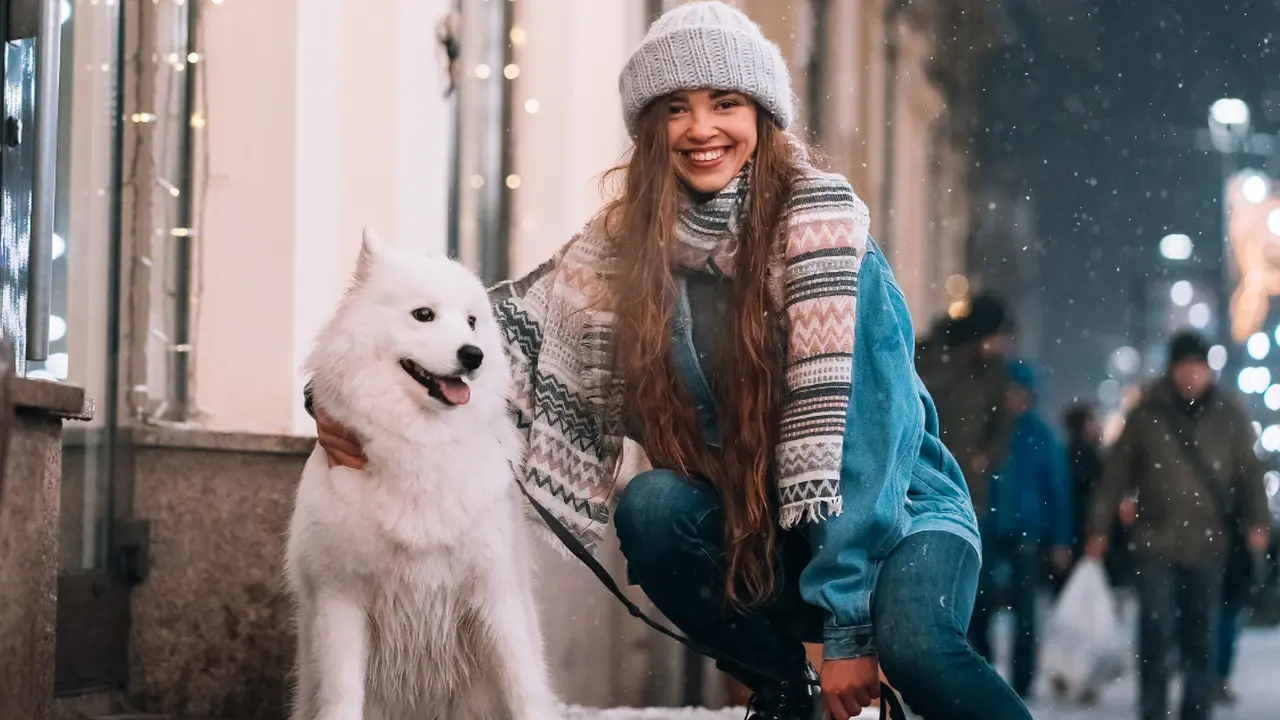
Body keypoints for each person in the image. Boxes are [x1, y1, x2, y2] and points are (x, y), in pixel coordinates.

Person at [309, 3, 1031, 718]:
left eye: (725, 102)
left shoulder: (828, 238)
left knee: (916, 649)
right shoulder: (619, 255)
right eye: (676, 108)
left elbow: (868, 446)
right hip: (759, 525)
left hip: (900, 513)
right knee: (652, 510)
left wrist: (847, 626)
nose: (701, 128)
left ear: (762, 118)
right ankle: (785, 684)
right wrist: (335, 395)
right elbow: (488, 330)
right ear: (652, 129)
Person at [1087, 331, 1270, 720]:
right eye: (1183, 366)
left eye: (1197, 367)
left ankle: (1195, 710)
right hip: (1156, 542)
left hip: (1209, 545)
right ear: (1171, 369)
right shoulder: (1146, 414)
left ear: (1207, 371)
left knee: (1200, 637)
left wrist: (1258, 522)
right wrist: (1098, 529)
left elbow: (1250, 474)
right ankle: (1152, 710)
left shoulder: (1228, 416)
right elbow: (1115, 475)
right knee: (1155, 633)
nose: (1190, 375)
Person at [967, 359, 1072, 700]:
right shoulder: (990, 430)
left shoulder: (1040, 435)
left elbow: (1057, 490)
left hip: (1026, 532)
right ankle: (980, 670)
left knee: (1025, 613)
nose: (1016, 397)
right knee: (979, 604)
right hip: (988, 530)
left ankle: (1021, 682)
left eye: (1021, 391)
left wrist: (1059, 539)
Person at [916, 293, 1017, 535]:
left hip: (965, 485)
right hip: (923, 473)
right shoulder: (932, 354)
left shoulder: (992, 373)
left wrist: (985, 456)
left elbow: (1003, 426)